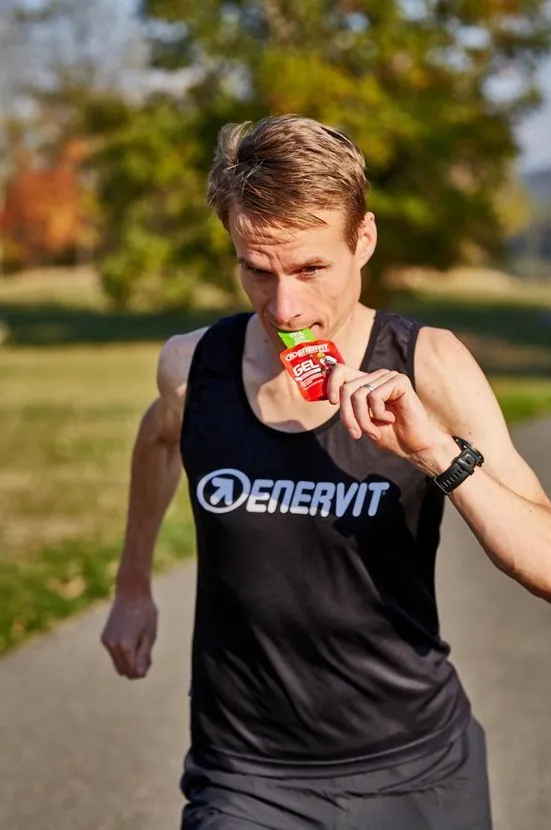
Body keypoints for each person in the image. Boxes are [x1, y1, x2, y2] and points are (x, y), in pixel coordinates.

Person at [101, 115, 551, 830]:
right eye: (257, 270)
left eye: (310, 269)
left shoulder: (427, 364)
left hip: (419, 767)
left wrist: (434, 451)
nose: (285, 308)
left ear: (362, 240)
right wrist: (132, 587)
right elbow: (158, 441)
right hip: (245, 776)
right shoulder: (194, 365)